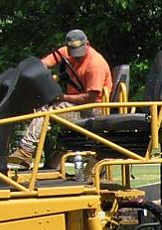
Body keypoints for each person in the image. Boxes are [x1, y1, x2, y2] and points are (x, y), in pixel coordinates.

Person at [8, 30, 112, 168]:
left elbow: (91, 97)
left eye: (79, 52)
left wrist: (61, 97)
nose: (77, 56)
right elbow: (44, 63)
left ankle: (26, 150)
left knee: (47, 112)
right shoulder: (67, 52)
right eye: (73, 52)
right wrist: (35, 74)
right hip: (75, 105)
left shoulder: (95, 64)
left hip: (92, 109)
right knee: (39, 109)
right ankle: (48, 159)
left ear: (87, 44)